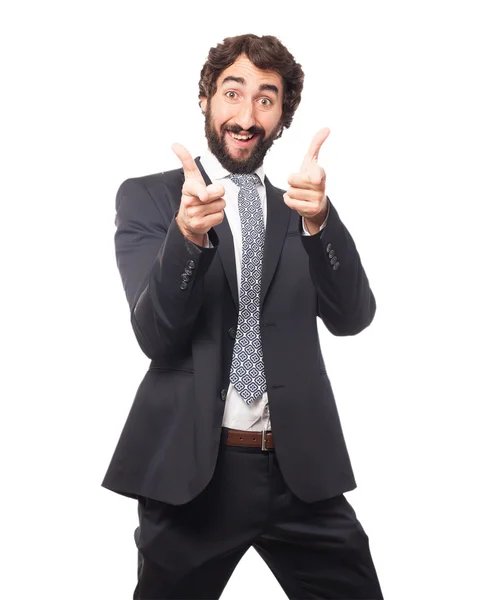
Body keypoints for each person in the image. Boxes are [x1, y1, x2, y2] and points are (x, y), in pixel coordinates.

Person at [102, 33, 384, 599]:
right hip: (193, 475)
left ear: (281, 117)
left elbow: (353, 316)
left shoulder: (303, 205)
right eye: (233, 93)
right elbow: (156, 334)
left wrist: (321, 224)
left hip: (300, 471)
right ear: (206, 99)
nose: (247, 113)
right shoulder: (150, 200)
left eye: (266, 98)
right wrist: (187, 235)